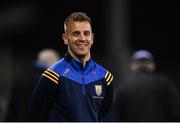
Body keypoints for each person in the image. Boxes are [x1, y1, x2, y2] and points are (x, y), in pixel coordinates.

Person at [29, 12, 114, 122]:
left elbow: (107, 118)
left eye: (86, 33)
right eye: (76, 34)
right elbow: (35, 117)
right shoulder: (52, 76)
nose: (82, 38)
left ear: (92, 38)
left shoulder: (105, 77)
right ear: (65, 38)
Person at [114, 49, 180, 121]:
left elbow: (117, 112)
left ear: (133, 66)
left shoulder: (125, 85)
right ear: (152, 65)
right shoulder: (164, 83)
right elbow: (176, 109)